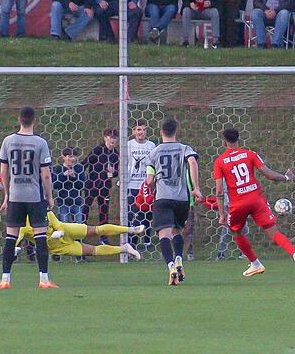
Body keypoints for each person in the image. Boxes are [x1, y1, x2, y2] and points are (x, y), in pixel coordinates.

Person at [213, 128, 295, 278]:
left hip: (237, 204)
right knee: (274, 232)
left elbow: (219, 191)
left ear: (224, 141)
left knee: (236, 232)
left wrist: (221, 214)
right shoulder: (250, 154)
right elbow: (269, 174)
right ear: (239, 139)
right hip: (256, 199)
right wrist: (286, 177)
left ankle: (255, 264)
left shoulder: (220, 161)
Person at [0, 106, 56, 290]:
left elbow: (3, 171)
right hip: (34, 196)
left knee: (10, 237)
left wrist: (7, 194)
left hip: (15, 196)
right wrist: (49, 196)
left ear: (19, 119)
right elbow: (45, 174)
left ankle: (5, 279)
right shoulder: (40, 143)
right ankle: (44, 280)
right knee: (40, 237)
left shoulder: (8, 141)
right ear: (34, 120)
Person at [146, 118, 202, 286]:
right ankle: (179, 260)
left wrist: (151, 185)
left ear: (161, 132)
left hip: (162, 198)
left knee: (164, 234)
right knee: (177, 231)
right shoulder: (184, 148)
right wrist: (196, 187)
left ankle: (171, 267)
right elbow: (192, 162)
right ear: (175, 131)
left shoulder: (154, 152)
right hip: (182, 199)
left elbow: (149, 180)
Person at [16, 211, 143, 260]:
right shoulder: (23, 224)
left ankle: (131, 229)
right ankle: (124, 249)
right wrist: (16, 249)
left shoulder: (44, 211)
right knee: (92, 251)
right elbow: (16, 240)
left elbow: (57, 224)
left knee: (96, 230)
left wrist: (60, 232)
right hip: (56, 246)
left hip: (66, 230)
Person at [81, 127, 118, 244]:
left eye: (115, 138)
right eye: (110, 137)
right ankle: (81, 231)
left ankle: (103, 236)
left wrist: (113, 172)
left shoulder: (115, 154)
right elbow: (85, 163)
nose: (112, 140)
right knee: (86, 207)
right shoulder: (97, 150)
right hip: (92, 184)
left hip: (105, 186)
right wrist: (78, 175)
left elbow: (117, 171)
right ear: (105, 138)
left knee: (104, 210)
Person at [126, 120, 156, 248]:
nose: (141, 132)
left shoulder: (151, 146)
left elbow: (154, 164)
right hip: (132, 185)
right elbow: (124, 163)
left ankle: (147, 240)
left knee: (148, 213)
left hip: (146, 185)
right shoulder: (128, 145)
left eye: (143, 130)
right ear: (133, 132)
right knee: (132, 214)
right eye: (138, 130)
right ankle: (132, 242)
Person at [52, 146, 85, 224]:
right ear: (63, 157)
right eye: (70, 156)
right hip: (63, 203)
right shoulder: (58, 169)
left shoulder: (79, 168)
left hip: (76, 202)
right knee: (64, 225)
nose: (73, 159)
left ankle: (78, 237)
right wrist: (64, 175)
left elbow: (83, 185)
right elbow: (54, 185)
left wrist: (74, 177)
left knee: (78, 226)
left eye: (74, 156)